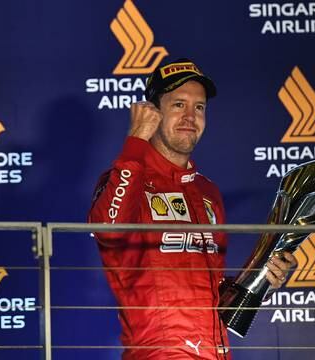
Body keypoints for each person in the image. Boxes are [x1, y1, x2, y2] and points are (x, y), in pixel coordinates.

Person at [89, 58, 297, 360]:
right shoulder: (126, 178)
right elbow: (108, 229)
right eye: (178, 105)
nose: (190, 116)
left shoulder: (207, 191)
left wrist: (261, 279)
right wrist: (135, 142)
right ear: (153, 113)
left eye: (199, 107)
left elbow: (213, 292)